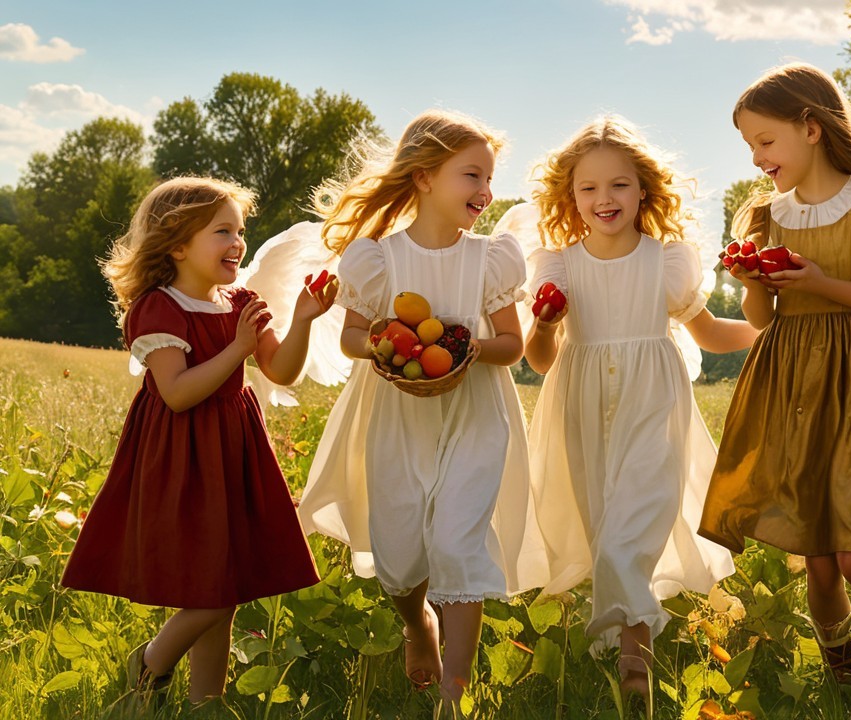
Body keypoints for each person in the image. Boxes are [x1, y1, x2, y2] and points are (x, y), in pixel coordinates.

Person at [698, 63, 851, 685]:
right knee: (818, 561)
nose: (757, 159)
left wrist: (823, 283)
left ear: (811, 129)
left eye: (765, 141)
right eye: (749, 146)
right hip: (791, 386)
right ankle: (844, 677)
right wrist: (754, 284)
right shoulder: (764, 218)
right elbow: (762, 318)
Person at [295, 110, 547, 705]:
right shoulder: (376, 259)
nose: (485, 192)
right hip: (396, 414)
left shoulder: (492, 258)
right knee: (401, 554)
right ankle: (417, 624)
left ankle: (453, 694)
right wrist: (386, 345)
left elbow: (511, 346)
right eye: (471, 176)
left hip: (476, 413)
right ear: (425, 177)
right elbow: (351, 336)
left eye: (489, 178)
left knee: (460, 544)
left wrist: (466, 348)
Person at [62, 177, 324, 704]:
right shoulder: (158, 309)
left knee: (227, 586)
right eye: (222, 231)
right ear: (177, 244)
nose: (237, 243)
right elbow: (178, 393)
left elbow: (282, 370)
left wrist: (301, 322)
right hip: (183, 454)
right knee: (214, 586)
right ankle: (150, 662)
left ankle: (206, 702)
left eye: (240, 230)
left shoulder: (243, 301)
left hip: (235, 448)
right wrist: (237, 350)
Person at [521, 116, 755, 697]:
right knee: (603, 522)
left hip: (654, 401)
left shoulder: (667, 261)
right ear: (570, 197)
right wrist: (547, 324)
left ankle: (635, 662)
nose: (605, 198)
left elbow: (709, 335)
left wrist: (770, 331)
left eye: (619, 185)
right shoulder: (558, 267)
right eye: (589, 187)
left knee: (634, 521)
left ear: (643, 189)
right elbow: (541, 359)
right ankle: (622, 627)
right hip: (581, 406)